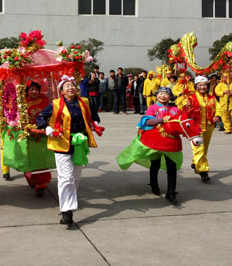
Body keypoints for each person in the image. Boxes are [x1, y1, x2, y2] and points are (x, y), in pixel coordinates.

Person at [117, 87, 203, 204]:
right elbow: (146, 122)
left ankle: (171, 191)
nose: (163, 96)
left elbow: (182, 121)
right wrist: (161, 119)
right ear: (156, 95)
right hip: (156, 141)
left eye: (166, 94)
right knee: (155, 164)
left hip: (171, 142)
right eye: (160, 94)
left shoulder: (175, 109)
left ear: (170, 97)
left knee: (172, 166)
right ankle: (154, 184)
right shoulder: (153, 108)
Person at [36, 75, 103, 225]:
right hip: (61, 143)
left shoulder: (84, 102)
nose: (71, 88)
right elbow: (40, 117)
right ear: (62, 91)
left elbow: (94, 115)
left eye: (72, 85)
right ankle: (67, 211)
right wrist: (47, 128)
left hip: (79, 143)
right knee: (66, 178)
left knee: (76, 177)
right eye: (67, 86)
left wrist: (95, 124)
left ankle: (69, 202)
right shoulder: (54, 104)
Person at [184, 76, 219, 183]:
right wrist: (187, 106)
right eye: (200, 85)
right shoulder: (190, 98)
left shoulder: (212, 98)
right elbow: (183, 110)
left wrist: (218, 116)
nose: (203, 87)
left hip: (209, 126)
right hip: (195, 128)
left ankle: (196, 163)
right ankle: (203, 171)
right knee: (198, 148)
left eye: (204, 85)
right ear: (196, 86)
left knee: (204, 149)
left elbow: (219, 108)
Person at [24, 81, 53, 196]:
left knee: (42, 158)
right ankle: (33, 180)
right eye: (31, 89)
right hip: (29, 134)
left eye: (36, 89)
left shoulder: (45, 100)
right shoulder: (23, 101)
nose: (34, 91)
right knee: (30, 159)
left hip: (43, 132)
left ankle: (41, 184)